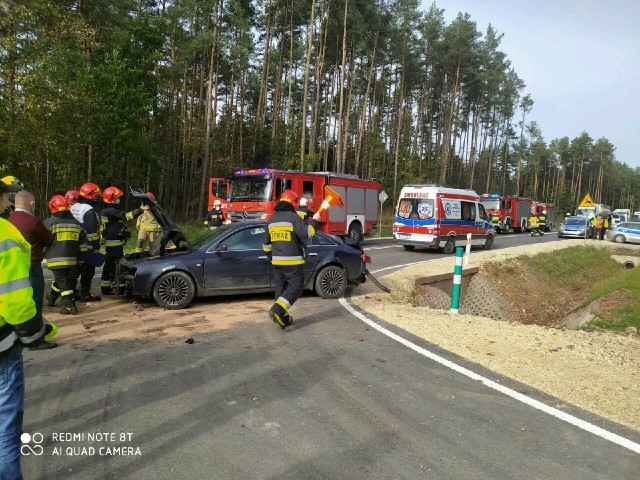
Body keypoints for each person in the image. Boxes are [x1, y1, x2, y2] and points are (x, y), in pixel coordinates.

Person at [1, 180, 57, 478]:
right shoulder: (12, 230)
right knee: (6, 433)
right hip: (2, 343)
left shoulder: (11, 222)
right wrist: (35, 335)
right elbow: (18, 303)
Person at [262, 189, 321, 330]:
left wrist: (272, 258)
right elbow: (307, 233)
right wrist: (315, 222)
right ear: (294, 203)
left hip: (277, 263)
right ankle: (277, 309)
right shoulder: (293, 217)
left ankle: (282, 318)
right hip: (293, 263)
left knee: (281, 289)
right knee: (296, 287)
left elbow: (265, 245)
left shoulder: (272, 219)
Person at [8, 190, 56, 348]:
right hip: (31, 267)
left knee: (15, 303)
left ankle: (15, 337)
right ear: (32, 203)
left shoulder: (7, 220)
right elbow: (48, 240)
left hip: (11, 269)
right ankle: (35, 340)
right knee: (34, 303)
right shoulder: (33, 221)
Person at [44, 195, 89, 315]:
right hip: (72, 260)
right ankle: (52, 297)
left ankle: (70, 305)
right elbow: (83, 244)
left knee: (63, 283)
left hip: (55, 260)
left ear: (53, 208)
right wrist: (82, 258)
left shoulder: (49, 223)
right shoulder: (77, 224)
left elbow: (43, 242)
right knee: (63, 281)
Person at [100, 187, 143, 294]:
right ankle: (107, 287)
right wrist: (141, 210)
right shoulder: (111, 211)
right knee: (113, 264)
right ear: (112, 199)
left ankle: (110, 285)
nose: (119, 199)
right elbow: (126, 216)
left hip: (112, 241)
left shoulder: (106, 210)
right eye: (117, 198)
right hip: (114, 242)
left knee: (112, 264)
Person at [70, 183, 103, 301]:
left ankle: (72, 293)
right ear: (91, 196)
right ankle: (85, 293)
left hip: (73, 245)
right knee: (88, 270)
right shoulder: (89, 210)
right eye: (96, 197)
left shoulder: (73, 207)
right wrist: (96, 246)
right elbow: (92, 232)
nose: (97, 200)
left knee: (74, 270)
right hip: (87, 246)